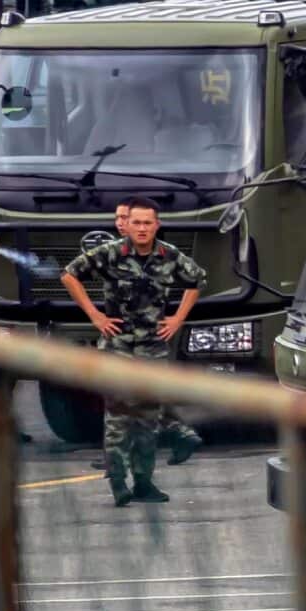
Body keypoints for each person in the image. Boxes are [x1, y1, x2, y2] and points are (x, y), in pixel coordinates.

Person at [62, 196, 206, 506]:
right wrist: (95, 315)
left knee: (148, 418)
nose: (141, 229)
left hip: (152, 348)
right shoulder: (110, 254)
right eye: (136, 222)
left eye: (147, 223)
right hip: (118, 346)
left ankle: (144, 482)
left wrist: (178, 318)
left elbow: (196, 279)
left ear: (157, 225)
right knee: (118, 417)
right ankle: (118, 483)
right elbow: (69, 274)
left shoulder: (169, 256)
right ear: (126, 224)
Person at [113, 197, 203, 466]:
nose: (119, 223)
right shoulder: (115, 252)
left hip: (146, 337)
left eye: (123, 218)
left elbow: (196, 278)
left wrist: (177, 319)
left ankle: (130, 451)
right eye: (117, 218)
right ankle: (178, 435)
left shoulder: (158, 254)